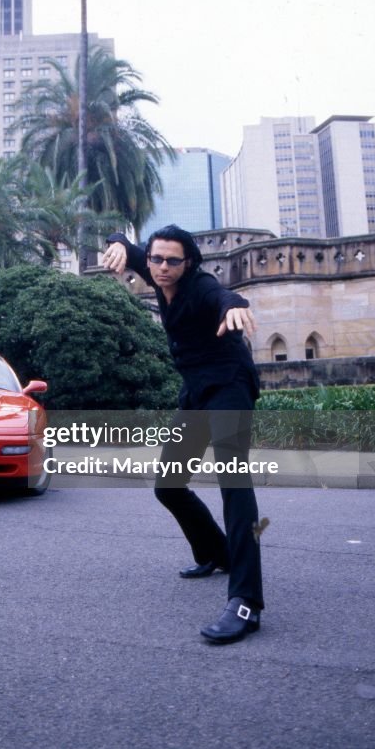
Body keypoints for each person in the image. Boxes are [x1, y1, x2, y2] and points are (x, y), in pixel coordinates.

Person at [102, 224, 264, 645]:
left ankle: (245, 601)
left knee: (233, 480)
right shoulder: (156, 268)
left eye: (173, 261)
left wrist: (236, 306)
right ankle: (217, 552)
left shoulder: (201, 287)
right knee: (169, 485)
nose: (162, 268)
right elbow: (124, 241)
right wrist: (116, 243)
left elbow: (223, 296)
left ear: (188, 262)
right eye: (156, 259)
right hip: (195, 390)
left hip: (229, 385)